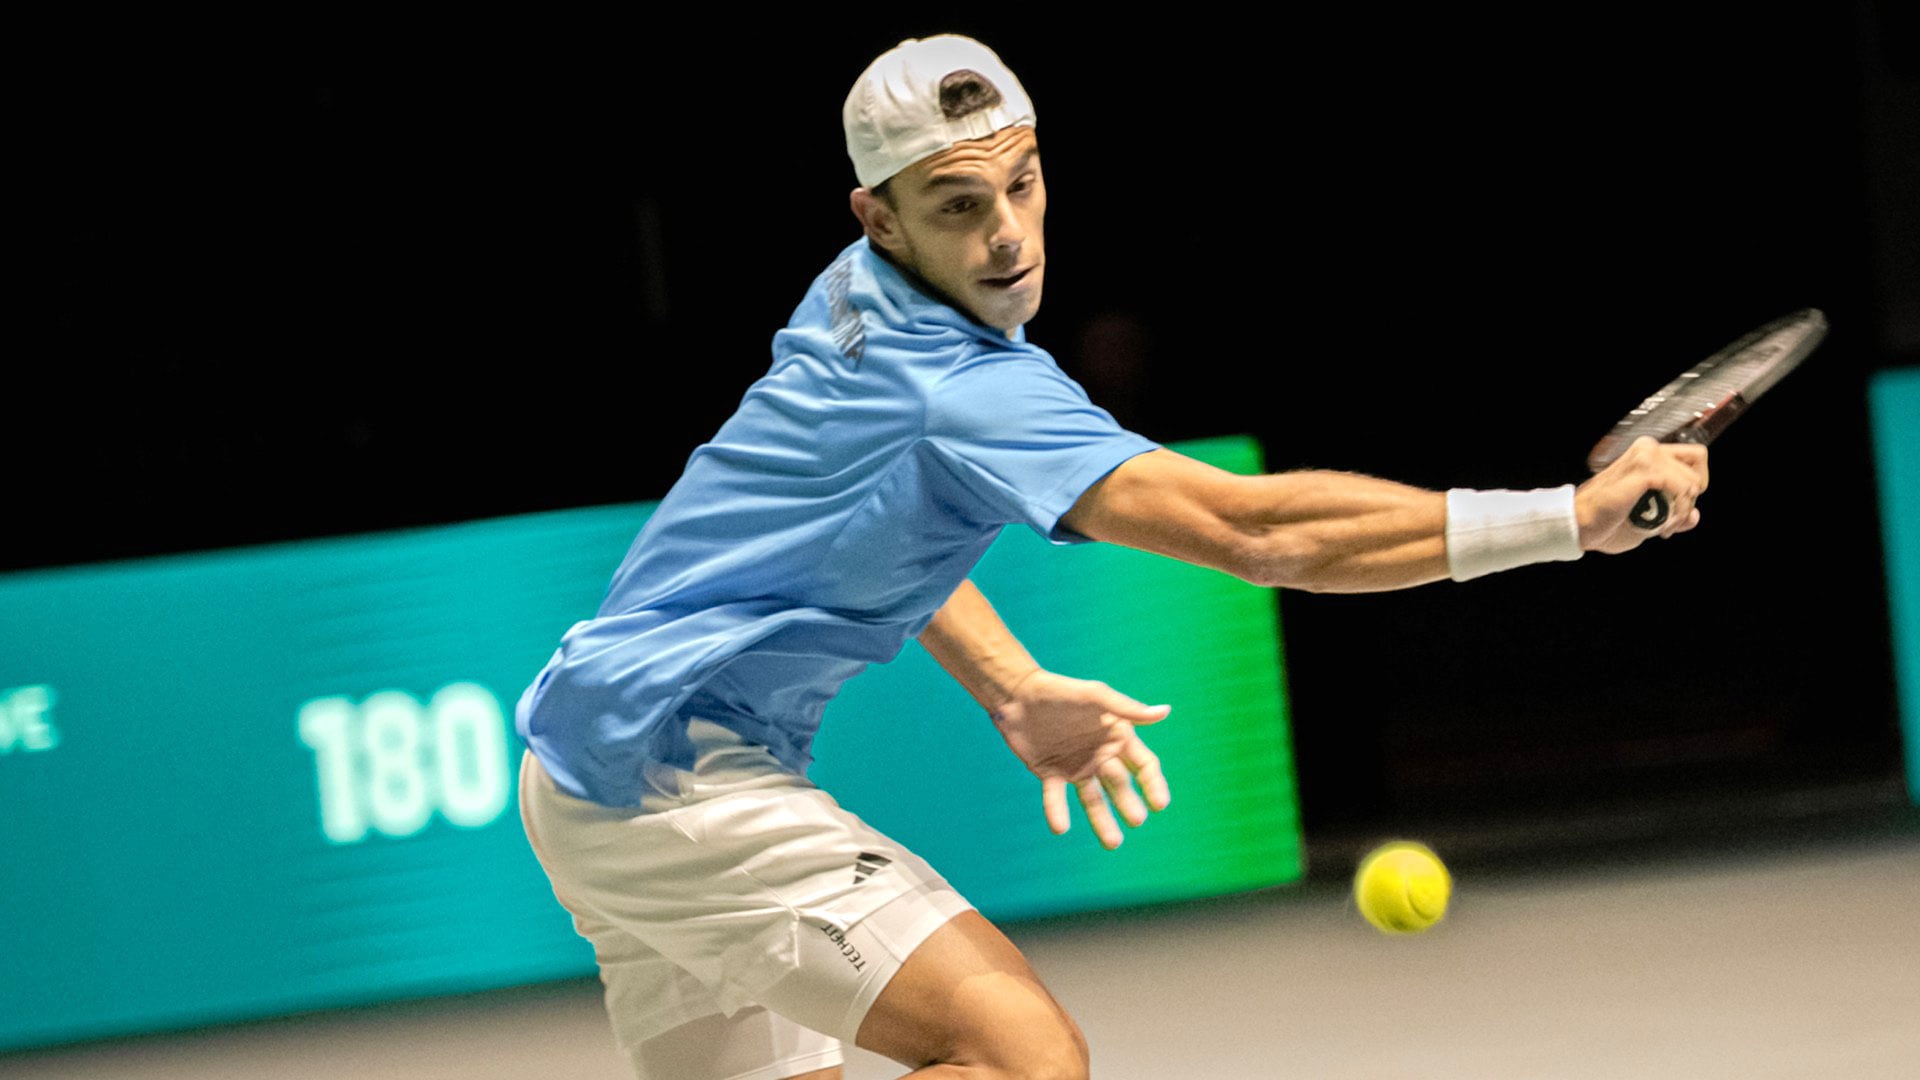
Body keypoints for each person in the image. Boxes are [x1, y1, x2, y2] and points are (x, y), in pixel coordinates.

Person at [514, 34, 1709, 1080]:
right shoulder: (963, 385)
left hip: (591, 772)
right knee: (1021, 1055)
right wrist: (1568, 519)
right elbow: (1261, 533)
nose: (1004, 237)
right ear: (877, 216)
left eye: (1021, 187)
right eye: (955, 205)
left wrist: (1014, 685)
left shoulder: (850, 306)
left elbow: (874, 524)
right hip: (673, 777)